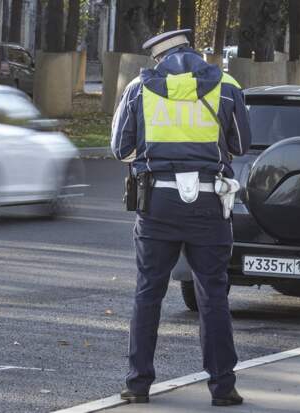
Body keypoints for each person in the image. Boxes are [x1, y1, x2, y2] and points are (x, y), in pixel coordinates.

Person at [111, 29, 252, 407]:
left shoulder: (140, 89)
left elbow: (120, 147)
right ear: (191, 51)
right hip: (208, 205)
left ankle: (138, 385)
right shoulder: (225, 86)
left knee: (148, 293)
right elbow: (240, 144)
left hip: (157, 203)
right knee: (213, 295)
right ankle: (223, 388)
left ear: (158, 58)